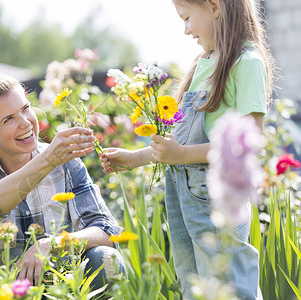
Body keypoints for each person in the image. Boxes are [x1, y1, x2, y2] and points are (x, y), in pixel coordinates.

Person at [100, 0, 275, 299]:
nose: (186, 30)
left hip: (216, 196)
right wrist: (135, 159)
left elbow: (248, 141)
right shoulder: (204, 62)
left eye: (187, 18)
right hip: (182, 193)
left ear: (215, 7)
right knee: (194, 283)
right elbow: (179, 139)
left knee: (228, 282)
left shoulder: (246, 63)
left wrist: (181, 156)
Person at [0, 73, 124, 291]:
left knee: (106, 258)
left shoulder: (65, 163)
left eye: (25, 108)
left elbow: (107, 231)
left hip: (62, 287)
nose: (26, 123)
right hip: (1, 291)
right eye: (8, 119)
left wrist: (52, 245)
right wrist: (48, 160)